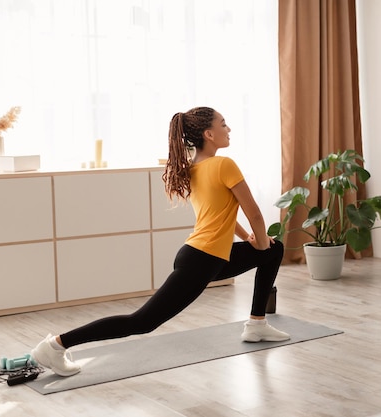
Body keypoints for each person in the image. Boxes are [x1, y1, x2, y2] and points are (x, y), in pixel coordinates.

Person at [31, 107, 289, 377]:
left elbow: (220, 213)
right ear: (209, 134)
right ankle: (55, 345)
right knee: (142, 322)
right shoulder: (224, 164)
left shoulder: (195, 167)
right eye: (224, 124)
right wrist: (260, 242)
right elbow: (255, 213)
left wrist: (250, 239)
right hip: (202, 260)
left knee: (275, 249)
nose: (229, 129)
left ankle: (257, 324)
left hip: (203, 256)